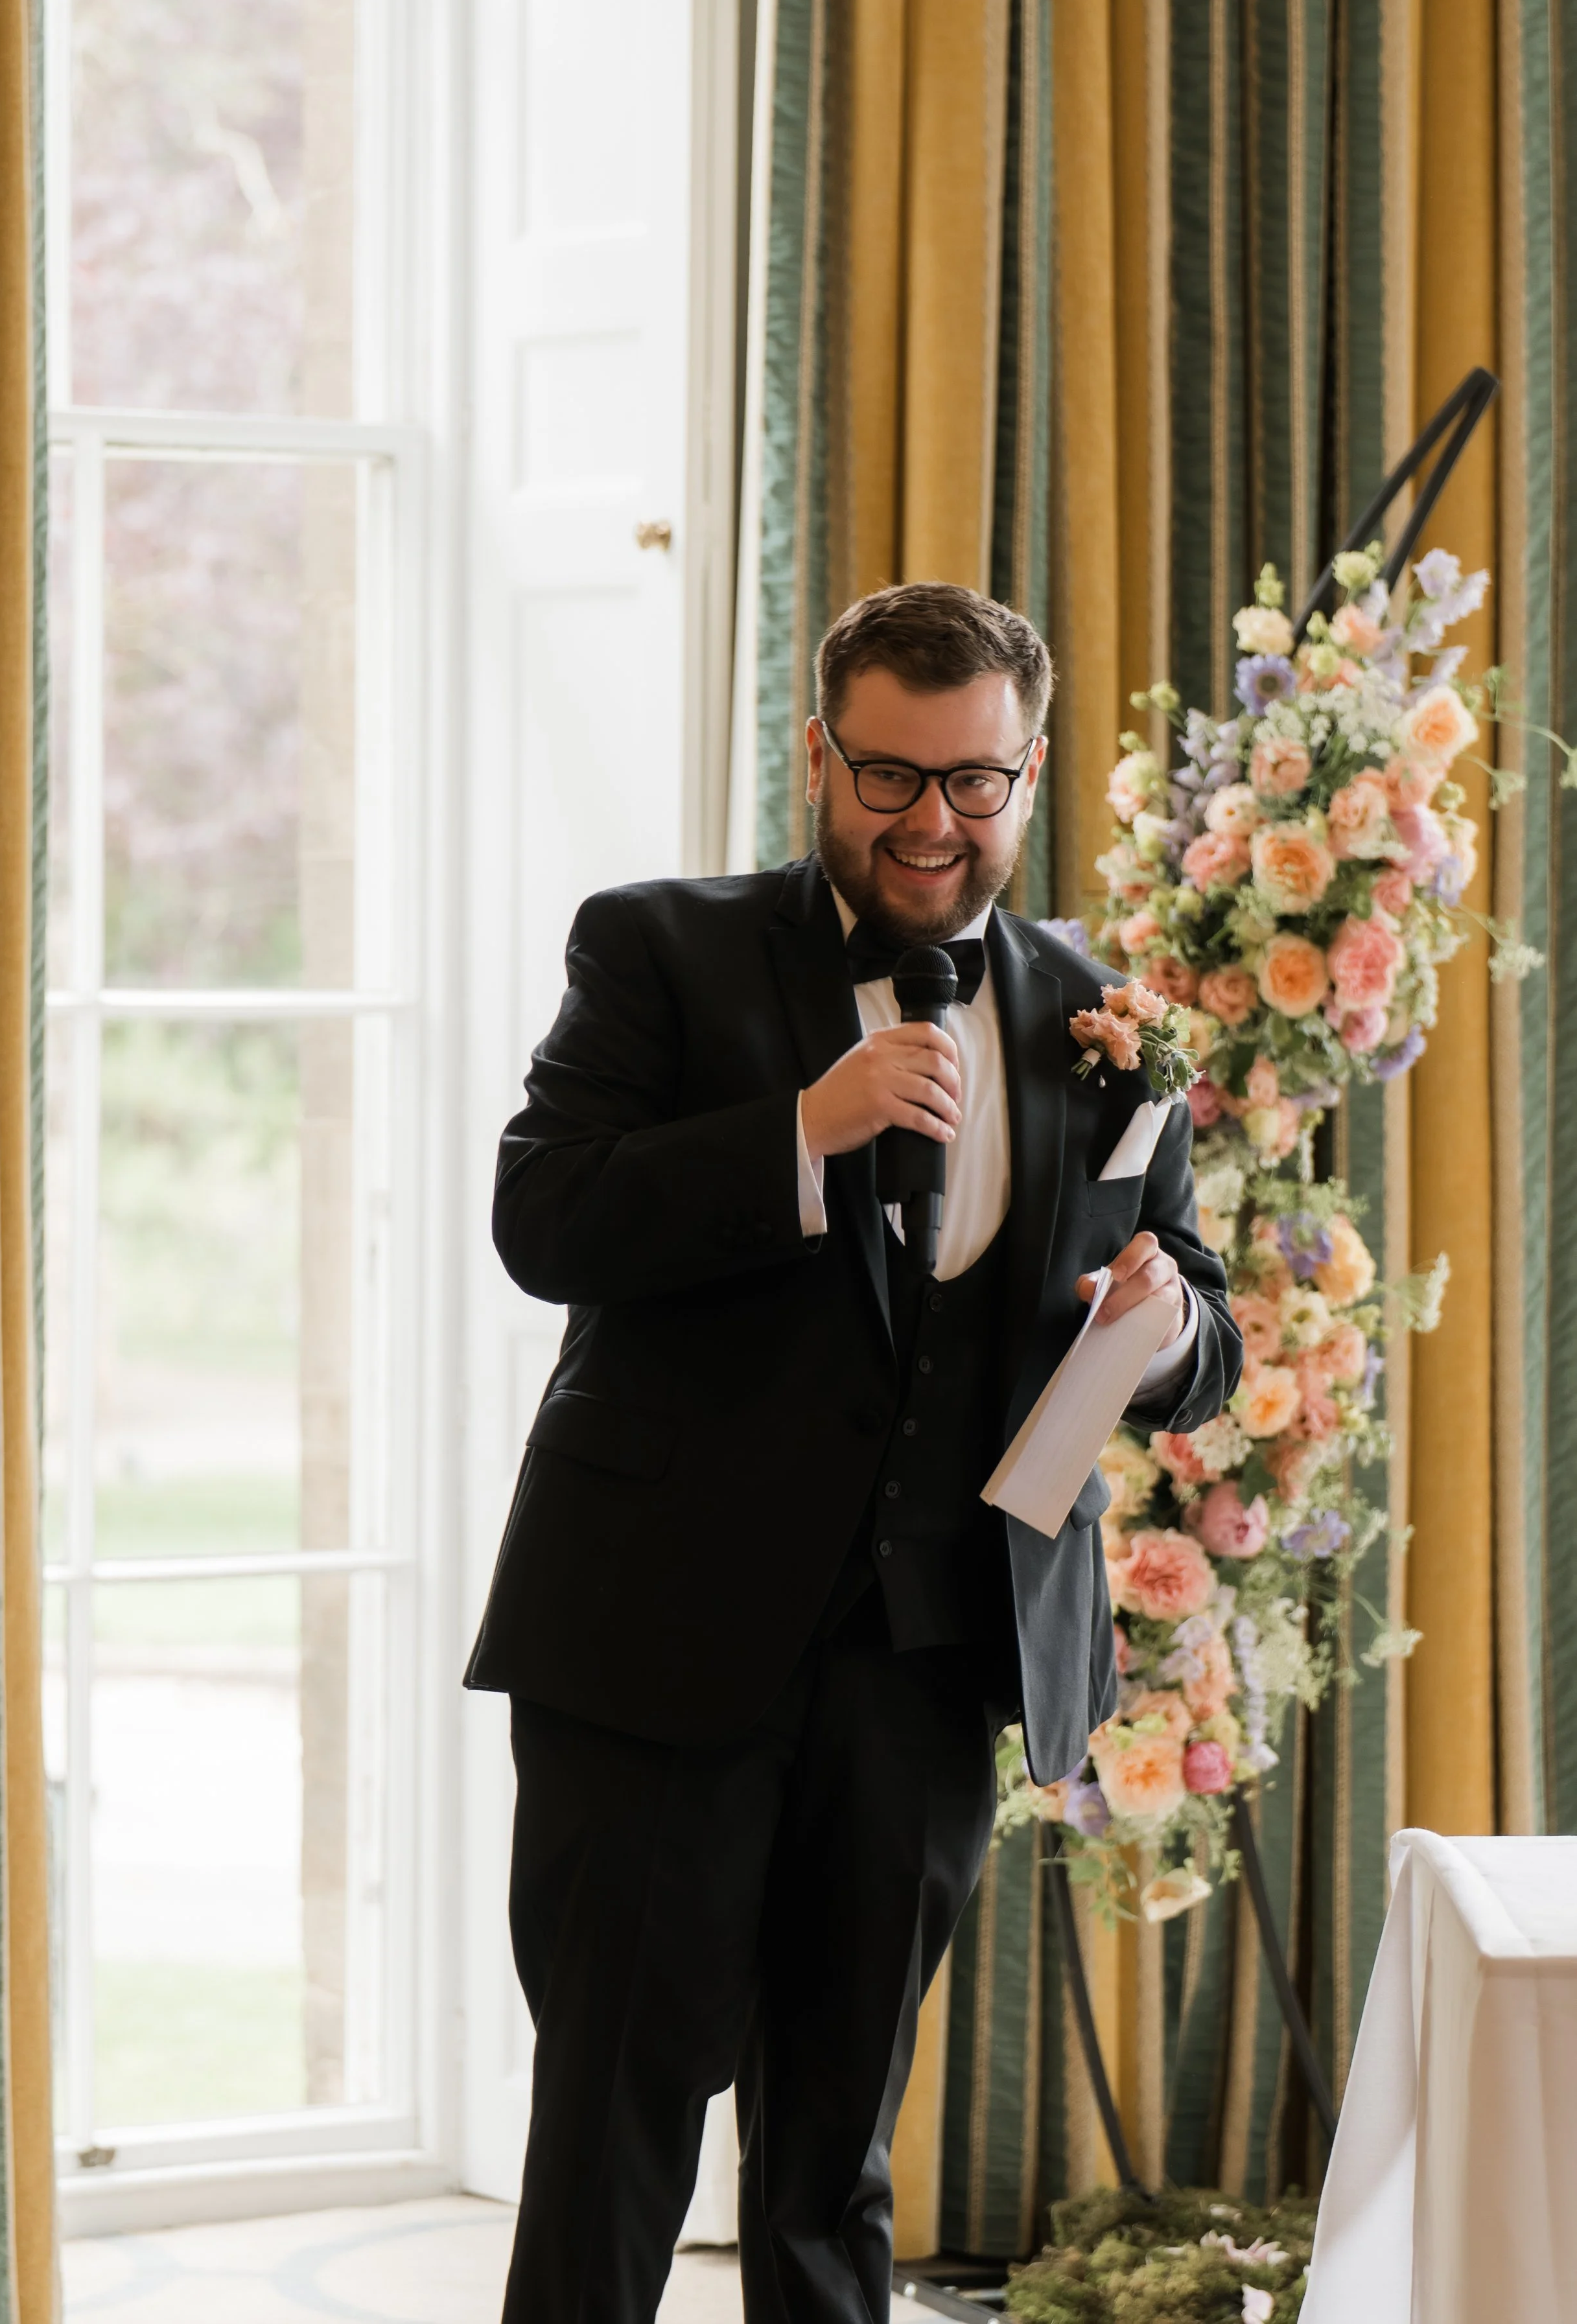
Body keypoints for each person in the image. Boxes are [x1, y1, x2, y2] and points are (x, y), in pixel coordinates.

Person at [465, 582, 1242, 2323]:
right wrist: (798, 1128)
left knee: (836, 2149)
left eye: (972, 781)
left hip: (924, 1658)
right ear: (820, 752)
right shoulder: (658, 947)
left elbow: (1190, 1302)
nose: (928, 819)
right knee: (616, 2119)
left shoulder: (1091, 1007)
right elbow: (541, 1216)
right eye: (888, 773)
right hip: (658, 1646)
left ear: (1027, 774)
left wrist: (1170, 1321)